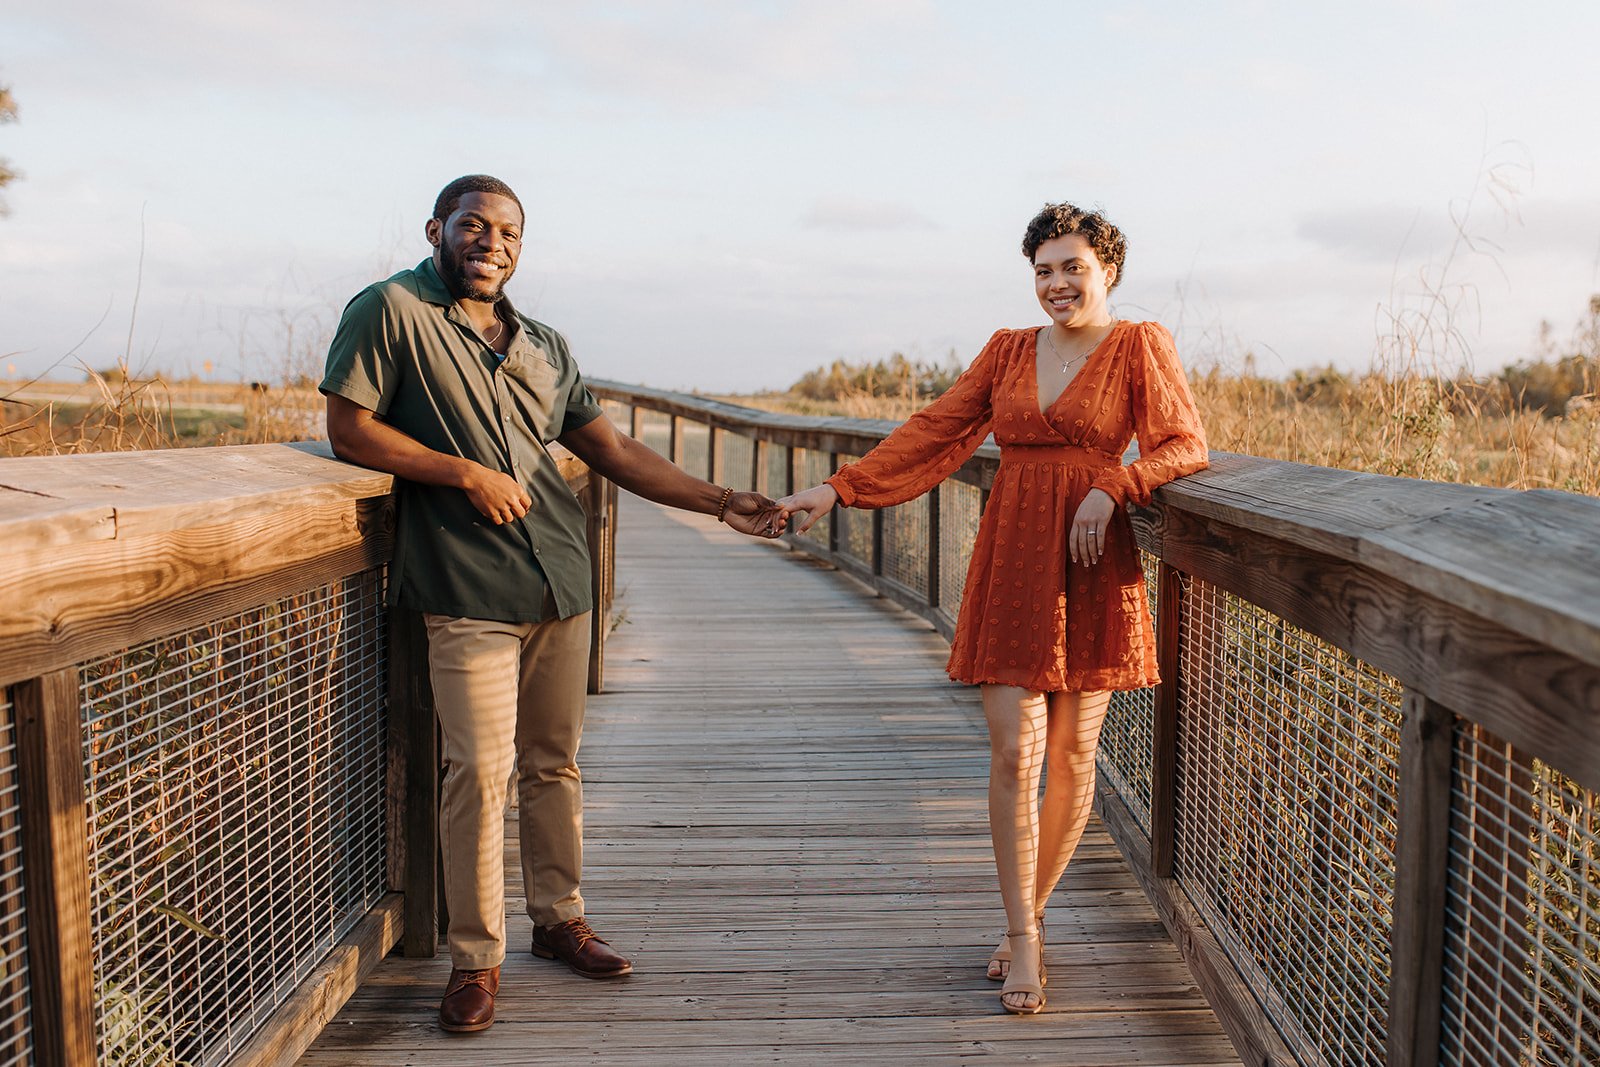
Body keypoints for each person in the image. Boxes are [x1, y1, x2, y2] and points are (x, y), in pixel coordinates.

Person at [320, 174, 786, 1033]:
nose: (491, 242)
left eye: (508, 232)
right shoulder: (390, 311)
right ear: (437, 229)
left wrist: (721, 502)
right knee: (476, 771)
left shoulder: (542, 342)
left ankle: (558, 919)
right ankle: (475, 958)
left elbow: (607, 448)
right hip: (465, 584)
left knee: (553, 762)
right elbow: (348, 429)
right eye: (473, 225)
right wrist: (460, 470)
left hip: (561, 580)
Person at [779, 202, 1208, 1015]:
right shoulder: (1009, 351)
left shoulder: (1139, 345)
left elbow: (1185, 444)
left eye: (1072, 267)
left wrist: (1115, 484)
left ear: (1108, 269)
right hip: (1014, 557)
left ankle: (1024, 923)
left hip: (1091, 559)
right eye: (1043, 269)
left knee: (1075, 756)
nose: (1056, 284)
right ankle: (1029, 935)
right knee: (1015, 752)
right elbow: (935, 429)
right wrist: (835, 490)